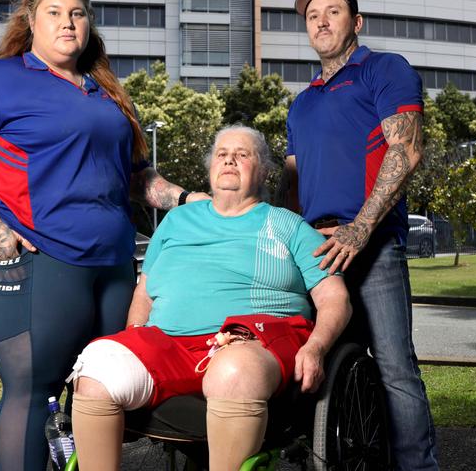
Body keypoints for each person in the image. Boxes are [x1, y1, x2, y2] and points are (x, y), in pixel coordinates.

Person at [0, 0, 205, 469]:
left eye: (78, 13)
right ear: (31, 21)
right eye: (54, 12)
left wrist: (185, 199)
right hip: (36, 257)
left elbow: (138, 178)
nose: (68, 22)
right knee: (33, 389)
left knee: (99, 389)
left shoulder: (109, 93)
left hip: (113, 263)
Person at [68, 125, 352, 471]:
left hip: (254, 341)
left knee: (231, 370)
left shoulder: (288, 226)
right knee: (98, 363)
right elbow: (145, 289)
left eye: (242, 154)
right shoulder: (176, 221)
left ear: (262, 170)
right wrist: (135, 336)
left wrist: (316, 347)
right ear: (210, 168)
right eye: (222, 154)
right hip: (171, 343)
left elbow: (335, 297)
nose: (230, 160)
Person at [279, 0, 439, 470]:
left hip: (372, 242)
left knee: (394, 368)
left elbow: (406, 149)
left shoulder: (383, 69)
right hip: (314, 252)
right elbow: (292, 180)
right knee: (312, 362)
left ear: (357, 22)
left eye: (333, 11)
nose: (322, 21)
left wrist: (361, 227)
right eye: (313, 15)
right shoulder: (301, 102)